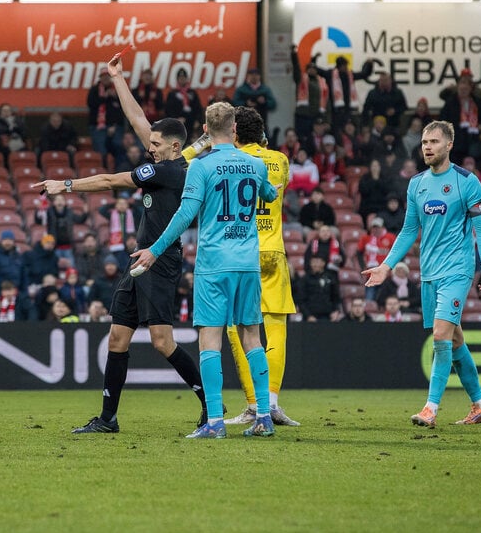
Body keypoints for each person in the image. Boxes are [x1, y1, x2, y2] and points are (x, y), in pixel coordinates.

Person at [36, 54, 209, 435]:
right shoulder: (170, 159)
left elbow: (111, 181)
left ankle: (210, 404)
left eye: (158, 145)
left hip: (159, 260)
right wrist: (117, 79)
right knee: (117, 337)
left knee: (162, 342)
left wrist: (65, 185)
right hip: (139, 262)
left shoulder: (167, 171)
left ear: (176, 148)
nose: (151, 147)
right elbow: (138, 122)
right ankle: (108, 419)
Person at [131, 101, 278, 439]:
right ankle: (264, 418)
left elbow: (184, 216)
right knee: (253, 337)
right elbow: (268, 194)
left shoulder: (201, 166)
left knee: (210, 340)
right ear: (236, 129)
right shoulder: (256, 164)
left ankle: (214, 422)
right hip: (248, 263)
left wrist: (154, 250)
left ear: (207, 132)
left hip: (214, 264)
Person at [363, 120, 481, 428]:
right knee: (454, 339)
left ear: (449, 145)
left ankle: (430, 408)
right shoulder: (417, 184)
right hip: (429, 274)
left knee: (440, 337)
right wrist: (385, 265)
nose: (427, 146)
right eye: (425, 141)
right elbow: (409, 230)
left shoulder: (467, 182)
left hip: (457, 271)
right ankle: (480, 405)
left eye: (434, 142)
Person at [224, 107, 300, 427]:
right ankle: (272, 402)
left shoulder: (229, 161)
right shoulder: (280, 160)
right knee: (276, 329)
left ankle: (254, 404)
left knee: (235, 328)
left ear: (235, 134)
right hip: (273, 252)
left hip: (241, 252)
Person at [291, 47, 329, 141]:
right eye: (309, 68)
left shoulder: (322, 83)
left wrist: (327, 120)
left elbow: (327, 102)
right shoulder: (302, 80)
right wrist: (294, 55)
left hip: (316, 116)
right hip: (303, 116)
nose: (312, 70)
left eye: (314, 69)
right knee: (302, 139)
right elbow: (296, 69)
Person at [87, 67, 125, 163]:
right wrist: (105, 97)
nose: (105, 79)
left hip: (115, 126)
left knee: (118, 150)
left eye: (107, 76)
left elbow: (123, 108)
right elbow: (91, 104)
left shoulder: (117, 88)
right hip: (98, 126)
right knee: (101, 151)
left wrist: (115, 97)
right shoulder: (94, 90)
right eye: (103, 77)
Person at [294, 254, 342, 322]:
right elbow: (301, 300)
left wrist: (336, 311)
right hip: (310, 318)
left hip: (328, 317)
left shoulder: (330, 278)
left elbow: (335, 296)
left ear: (323, 263)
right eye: (313, 262)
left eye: (318, 262)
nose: (315, 264)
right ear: (310, 263)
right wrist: (308, 316)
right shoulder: (304, 280)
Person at [232, 68, 277, 134]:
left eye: (256, 75)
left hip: (261, 122)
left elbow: (273, 104)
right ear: (248, 76)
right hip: (244, 123)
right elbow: (234, 103)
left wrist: (264, 102)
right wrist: (246, 103)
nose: (254, 77)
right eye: (252, 75)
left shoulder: (265, 89)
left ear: (259, 76)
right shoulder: (241, 89)